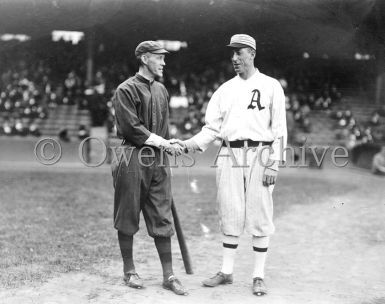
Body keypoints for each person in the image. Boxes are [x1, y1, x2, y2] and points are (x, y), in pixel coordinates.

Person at [173, 34, 287, 296]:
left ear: (252, 53)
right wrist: (187, 144)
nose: (234, 58)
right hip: (229, 153)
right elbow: (211, 129)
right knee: (230, 210)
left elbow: (280, 129)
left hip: (261, 153)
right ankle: (226, 271)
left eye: (239, 52)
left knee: (259, 212)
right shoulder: (224, 90)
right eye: (232, 53)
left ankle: (258, 275)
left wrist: (274, 164)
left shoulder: (271, 86)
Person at [111, 41, 187, 295]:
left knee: (162, 216)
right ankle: (129, 270)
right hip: (131, 156)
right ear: (144, 59)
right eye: (159, 58)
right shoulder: (125, 90)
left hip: (158, 160)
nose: (164, 63)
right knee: (128, 213)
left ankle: (169, 275)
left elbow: (163, 128)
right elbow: (132, 129)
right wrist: (164, 143)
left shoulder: (162, 90)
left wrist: (167, 150)